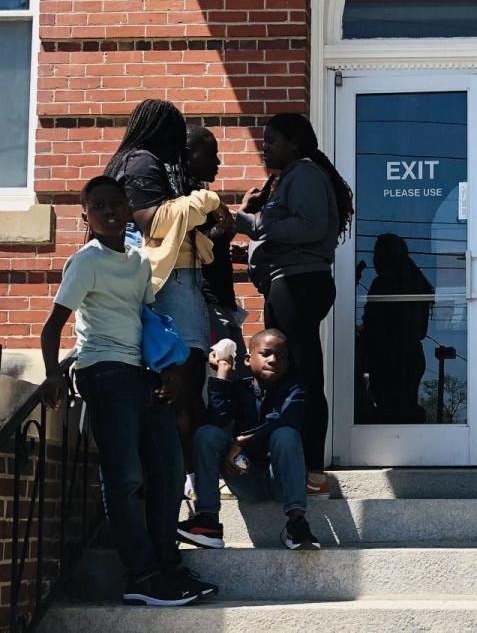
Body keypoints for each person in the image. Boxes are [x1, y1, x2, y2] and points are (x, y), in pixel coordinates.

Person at [38, 176, 217, 606]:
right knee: (125, 478)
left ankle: (169, 567)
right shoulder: (87, 261)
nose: (109, 212)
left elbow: (147, 319)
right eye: (98, 206)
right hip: (105, 374)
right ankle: (141, 575)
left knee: (169, 473)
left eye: (116, 204)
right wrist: (52, 374)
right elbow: (52, 327)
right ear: (85, 215)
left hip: (143, 374)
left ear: (127, 207)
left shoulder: (139, 261)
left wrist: (169, 367)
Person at [105, 100, 232, 484]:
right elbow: (153, 222)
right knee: (183, 380)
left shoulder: (136, 162)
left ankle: (176, 477)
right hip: (171, 284)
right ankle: (187, 479)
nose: (179, 145)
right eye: (177, 135)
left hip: (172, 281)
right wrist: (208, 201)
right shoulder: (142, 161)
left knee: (180, 380)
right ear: (164, 132)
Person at [233, 113, 353, 498]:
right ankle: (294, 464)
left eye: (271, 140)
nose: (265, 146)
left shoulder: (303, 173)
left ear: (295, 144)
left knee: (301, 376)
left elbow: (310, 225)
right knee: (294, 375)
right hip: (292, 283)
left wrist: (252, 224)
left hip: (298, 285)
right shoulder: (297, 174)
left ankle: (312, 472)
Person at [176, 329, 321, 551]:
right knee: (207, 433)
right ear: (247, 359)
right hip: (245, 478)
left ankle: (297, 524)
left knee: (286, 434)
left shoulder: (295, 389)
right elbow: (215, 421)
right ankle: (208, 521)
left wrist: (240, 442)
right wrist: (222, 375)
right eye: (266, 353)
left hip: (282, 480)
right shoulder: (239, 388)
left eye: (281, 357)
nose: (273, 360)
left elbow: (285, 419)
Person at [185, 125, 247, 369]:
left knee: (237, 378)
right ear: (187, 154)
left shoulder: (201, 193)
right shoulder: (184, 197)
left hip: (221, 302)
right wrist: (219, 232)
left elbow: (208, 243)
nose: (217, 161)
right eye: (210, 155)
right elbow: (188, 248)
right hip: (207, 305)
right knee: (226, 379)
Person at [359, 233, 434, 423]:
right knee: (404, 406)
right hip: (410, 356)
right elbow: (421, 330)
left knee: (391, 410)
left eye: (377, 255)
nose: (373, 260)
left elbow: (372, 327)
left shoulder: (383, 285)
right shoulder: (419, 283)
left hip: (391, 358)